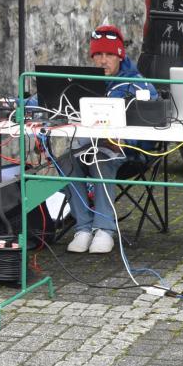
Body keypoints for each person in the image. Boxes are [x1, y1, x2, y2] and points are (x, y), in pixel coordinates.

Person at [63, 25, 157, 255]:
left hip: (130, 152)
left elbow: (153, 114)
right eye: (98, 55)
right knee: (65, 161)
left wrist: (126, 140)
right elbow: (48, 97)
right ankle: (83, 228)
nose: (103, 60)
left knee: (100, 159)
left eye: (109, 55)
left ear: (120, 56)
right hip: (89, 147)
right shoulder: (82, 81)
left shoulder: (137, 83)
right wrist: (16, 103)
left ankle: (104, 229)